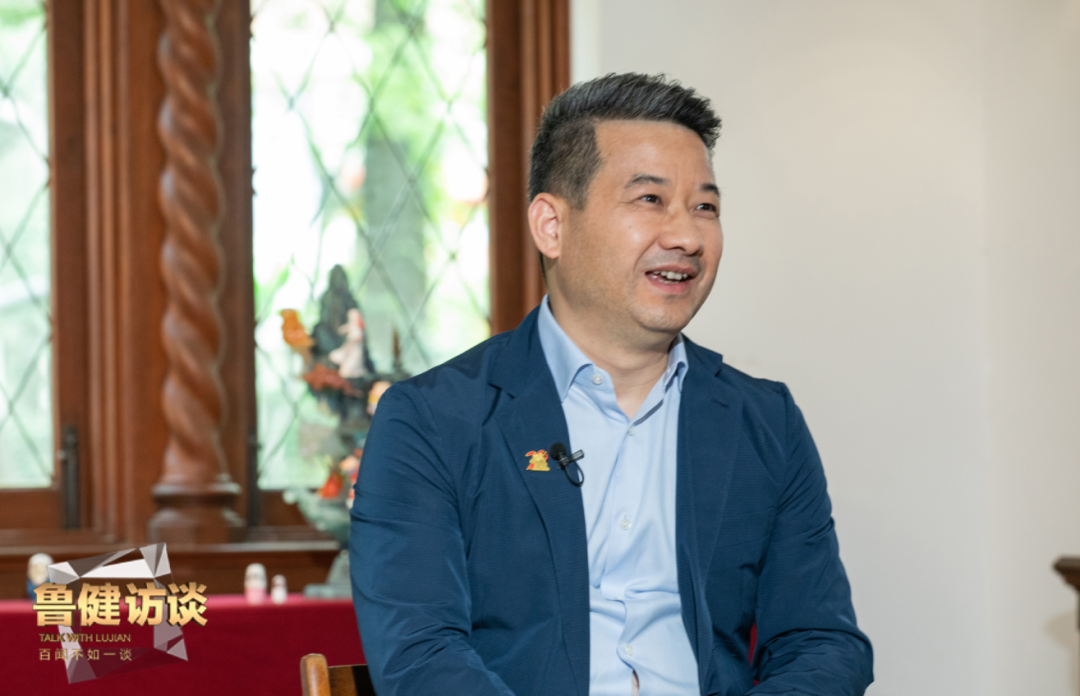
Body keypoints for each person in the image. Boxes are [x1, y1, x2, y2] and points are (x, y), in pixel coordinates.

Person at [350, 73, 873, 696]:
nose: (686, 237)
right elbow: (420, 657)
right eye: (650, 199)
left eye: (705, 207)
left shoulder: (763, 421)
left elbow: (822, 643)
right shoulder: (432, 421)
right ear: (552, 226)